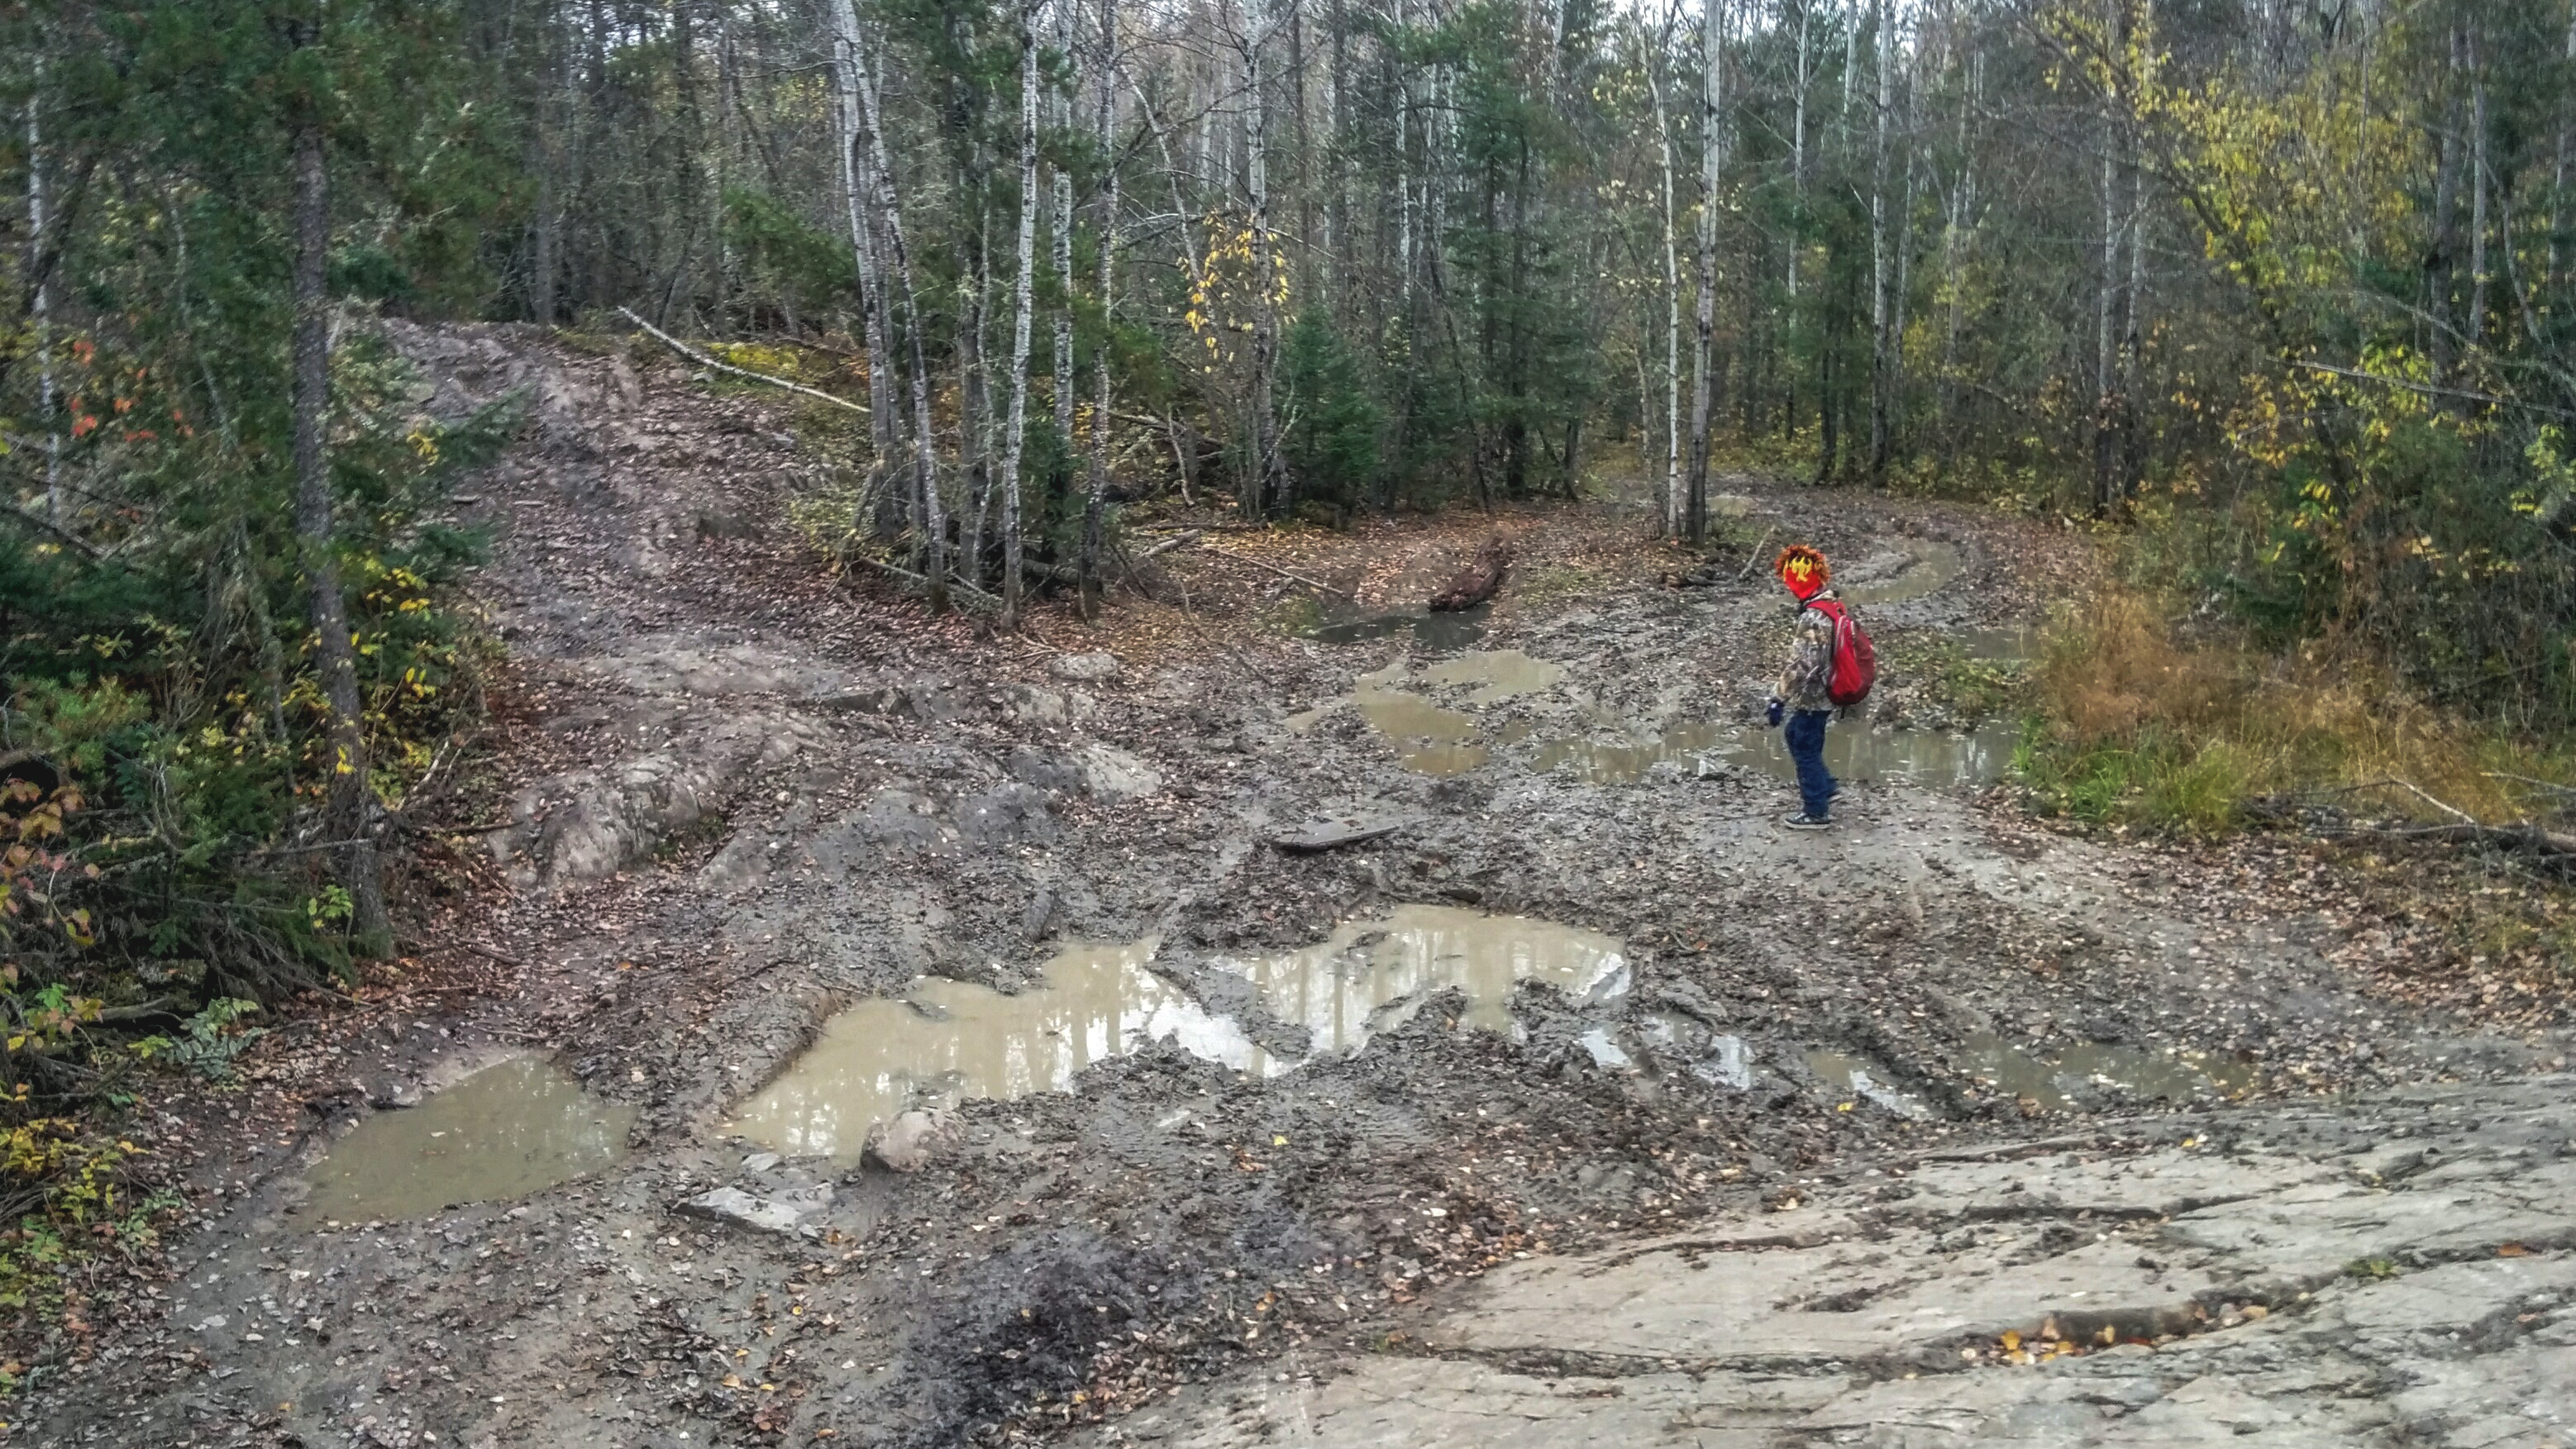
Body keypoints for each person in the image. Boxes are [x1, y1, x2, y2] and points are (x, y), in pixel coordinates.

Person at [1765, 545, 1839, 830]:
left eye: (1789, 579)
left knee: (1802, 742)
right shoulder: (1831, 603)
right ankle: (1826, 786)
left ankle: (1816, 811)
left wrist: (1778, 698)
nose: (1787, 585)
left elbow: (1803, 665)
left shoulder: (1813, 617)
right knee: (1800, 735)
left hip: (1816, 693)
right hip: (1830, 687)